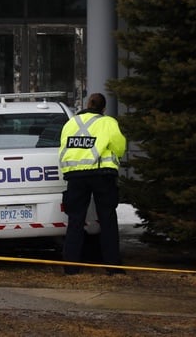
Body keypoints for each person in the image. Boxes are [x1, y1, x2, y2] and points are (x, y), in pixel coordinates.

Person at [59, 92, 127, 275]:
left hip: (74, 176)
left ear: (87, 104)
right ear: (103, 108)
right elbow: (120, 146)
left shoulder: (71, 123)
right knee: (107, 220)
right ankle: (113, 267)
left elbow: (64, 146)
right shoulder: (108, 122)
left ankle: (71, 267)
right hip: (101, 174)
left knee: (75, 220)